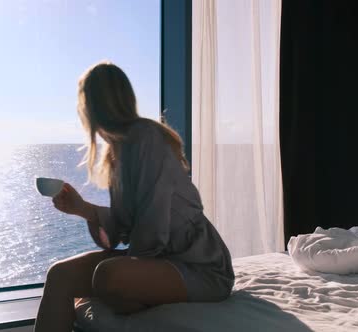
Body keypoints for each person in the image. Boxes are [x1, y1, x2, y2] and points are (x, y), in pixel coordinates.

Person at [33, 61, 234, 332]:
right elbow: (118, 235)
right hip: (158, 259)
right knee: (60, 275)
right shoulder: (116, 152)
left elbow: (152, 227)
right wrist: (83, 209)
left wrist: (124, 271)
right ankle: (139, 294)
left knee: (106, 275)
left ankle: (145, 299)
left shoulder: (146, 138)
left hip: (199, 266)